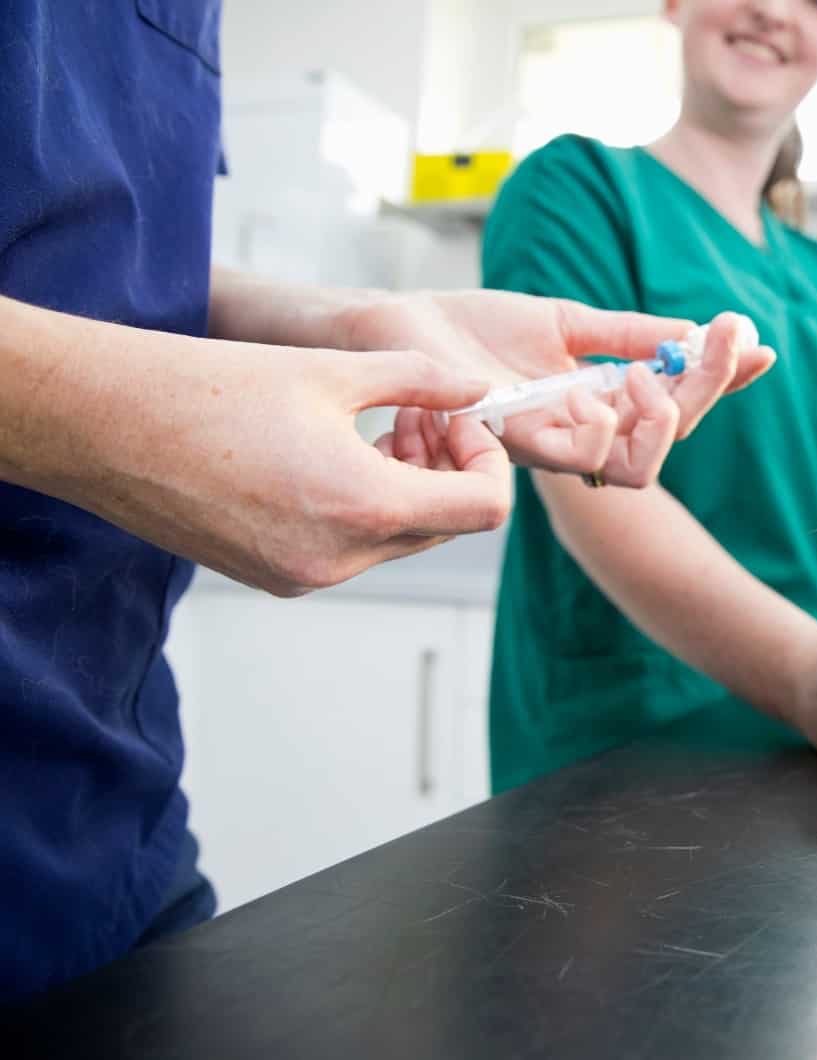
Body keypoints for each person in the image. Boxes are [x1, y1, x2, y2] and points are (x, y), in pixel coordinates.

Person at [0, 2, 771, 1004]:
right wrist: (132, 417)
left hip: (112, 814)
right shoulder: (582, 189)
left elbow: (109, 277)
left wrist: (357, 325)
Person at [485, 0, 817, 792]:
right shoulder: (577, 192)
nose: (773, 10)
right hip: (621, 754)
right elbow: (588, 478)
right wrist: (804, 670)